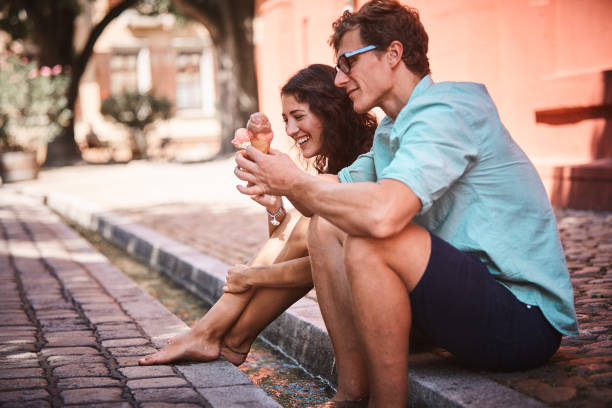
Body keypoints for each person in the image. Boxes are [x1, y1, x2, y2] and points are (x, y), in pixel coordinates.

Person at [233, 1, 579, 407]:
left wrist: (293, 182)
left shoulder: (448, 111)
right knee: (329, 226)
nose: (340, 80)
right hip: (454, 313)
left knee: (371, 239)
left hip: (522, 323)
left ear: (393, 54)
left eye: (347, 63)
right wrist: (279, 182)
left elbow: (383, 215)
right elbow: (325, 194)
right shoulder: (393, 131)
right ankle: (350, 393)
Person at [139, 64, 377, 366]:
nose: (290, 131)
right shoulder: (337, 160)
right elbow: (297, 252)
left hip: (388, 313)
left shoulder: (371, 156)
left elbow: (325, 261)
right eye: (286, 120)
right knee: (305, 222)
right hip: (362, 300)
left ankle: (215, 335)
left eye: (299, 117)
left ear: (332, 111)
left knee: (310, 222)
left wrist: (252, 276)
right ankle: (226, 339)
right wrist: (276, 208)